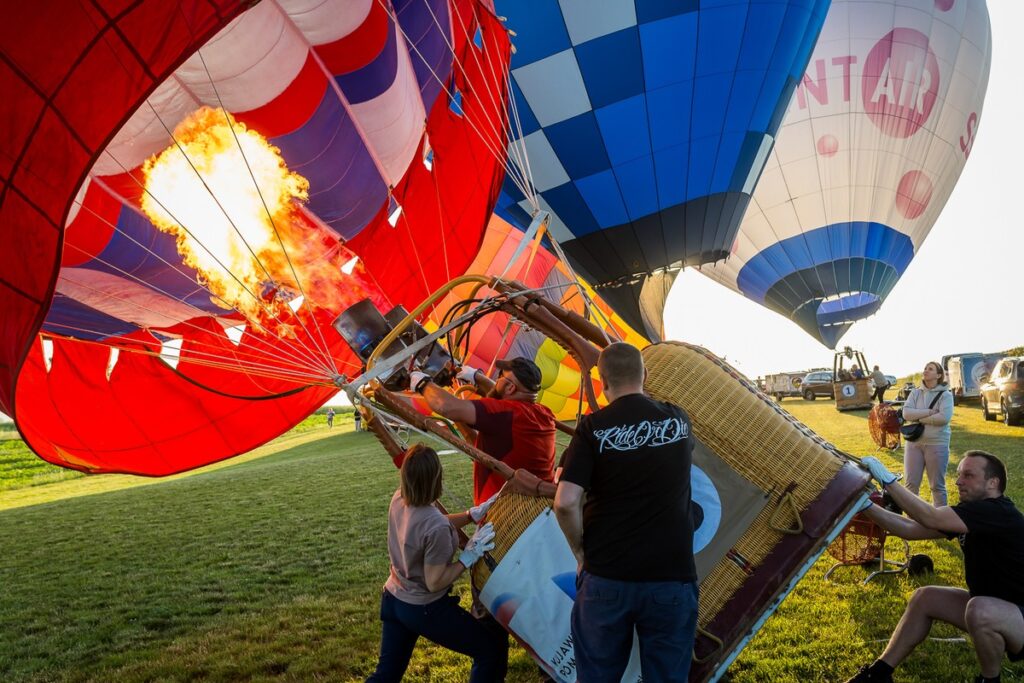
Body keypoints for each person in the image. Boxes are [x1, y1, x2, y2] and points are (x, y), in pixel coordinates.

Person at [553, 342, 698, 682]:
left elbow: (565, 501)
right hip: (671, 577)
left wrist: (578, 549)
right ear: (645, 374)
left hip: (606, 576)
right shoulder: (679, 420)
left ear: (602, 381)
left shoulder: (592, 429)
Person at [847, 451, 1024, 683]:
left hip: (1016, 615)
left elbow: (930, 517)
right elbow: (908, 528)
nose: (959, 481)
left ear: (993, 483)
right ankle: (879, 674)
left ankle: (989, 680)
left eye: (968, 475)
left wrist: (887, 480)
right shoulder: (972, 514)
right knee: (925, 597)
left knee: (979, 608)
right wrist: (864, 504)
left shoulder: (997, 511)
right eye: (959, 474)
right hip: (997, 610)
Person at [367, 444, 508, 682]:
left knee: (386, 676)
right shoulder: (437, 527)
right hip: (423, 608)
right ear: (436, 478)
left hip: (393, 598)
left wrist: (470, 514)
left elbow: (430, 524)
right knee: (490, 651)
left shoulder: (399, 498)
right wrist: (468, 557)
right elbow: (435, 582)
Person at [409, 357, 556, 505]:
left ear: (510, 388)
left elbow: (446, 406)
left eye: (500, 376)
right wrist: (476, 376)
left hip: (503, 519)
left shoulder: (507, 414)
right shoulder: (544, 414)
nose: (496, 380)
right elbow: (502, 397)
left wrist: (422, 383)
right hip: (540, 511)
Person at [902, 361, 954, 506]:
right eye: (925, 368)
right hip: (914, 443)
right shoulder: (915, 392)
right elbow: (906, 413)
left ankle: (941, 525)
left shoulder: (946, 395)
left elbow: (944, 418)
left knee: (937, 487)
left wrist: (917, 417)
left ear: (938, 375)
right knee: (910, 486)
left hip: (937, 444)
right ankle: (911, 524)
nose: (925, 371)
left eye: (930, 369)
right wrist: (930, 413)